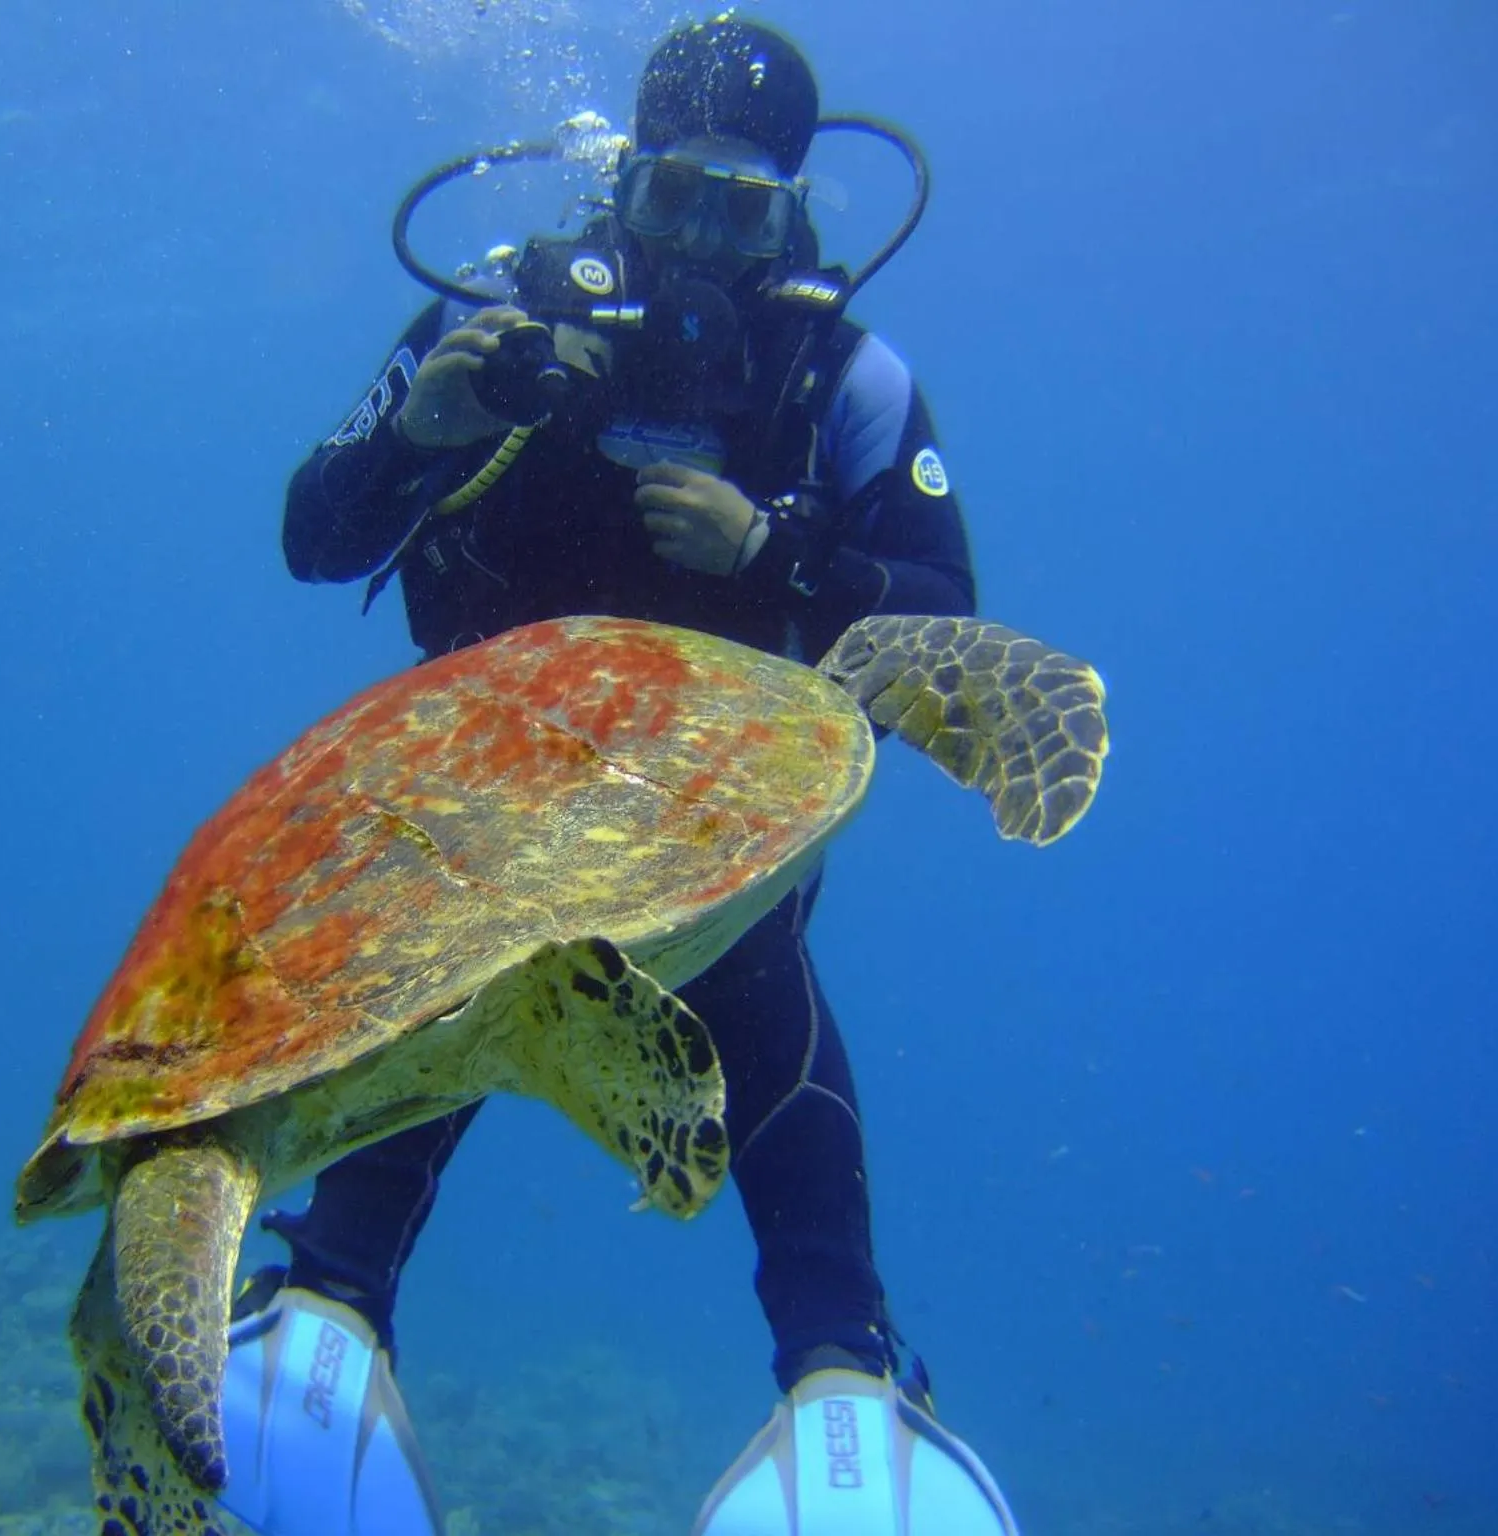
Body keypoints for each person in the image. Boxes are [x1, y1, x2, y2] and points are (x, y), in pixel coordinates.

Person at [222, 18, 1022, 1535]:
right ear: (619, 191)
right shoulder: (503, 324)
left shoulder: (843, 381)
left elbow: (950, 622)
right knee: (442, 1009)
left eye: (743, 211)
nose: (705, 248)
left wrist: (772, 545)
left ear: (795, 217)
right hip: (471, 820)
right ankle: (325, 1314)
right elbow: (315, 534)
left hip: (725, 826)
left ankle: (843, 1388)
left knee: (751, 981)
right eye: (674, 202)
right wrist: (421, 423)